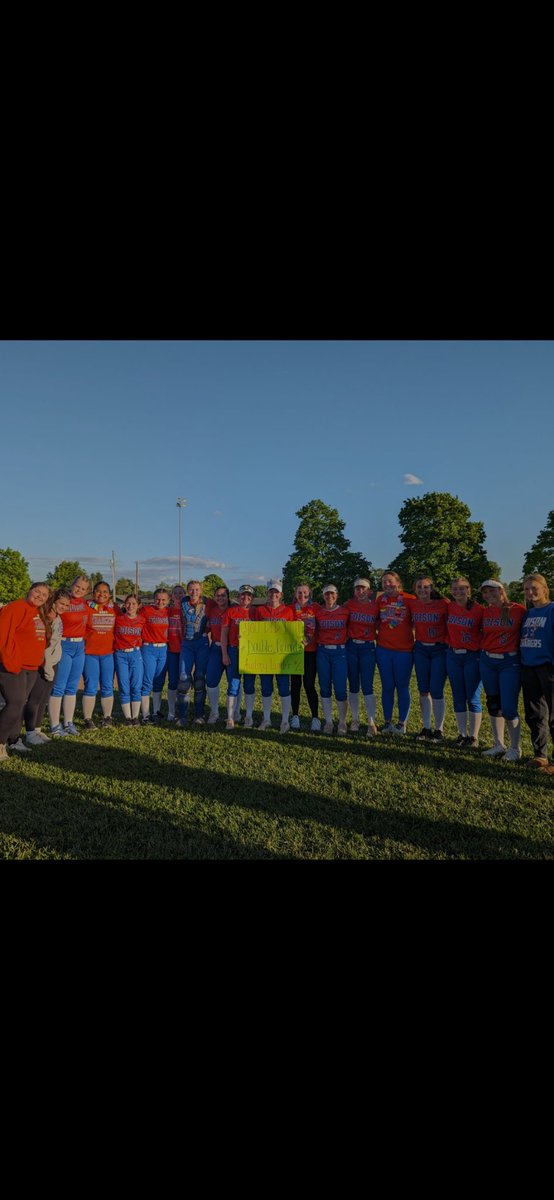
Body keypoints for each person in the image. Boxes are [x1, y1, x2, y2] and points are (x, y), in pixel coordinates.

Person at [0, 582, 50, 761]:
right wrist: (11, 663)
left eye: (44, 595)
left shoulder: (38, 612)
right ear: (29, 590)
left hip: (31, 667)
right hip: (14, 666)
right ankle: (0, 743)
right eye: (37, 591)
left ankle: (14, 739)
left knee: (21, 704)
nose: (40, 596)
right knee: (14, 703)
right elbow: (3, 635)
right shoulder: (15, 607)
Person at [480, 580, 526, 760]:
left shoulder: (518, 610)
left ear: (501, 590)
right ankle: (498, 744)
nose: (488, 595)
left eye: (491, 591)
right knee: (493, 704)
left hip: (509, 661)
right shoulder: (484, 611)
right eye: (485, 592)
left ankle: (515, 748)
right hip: (487, 660)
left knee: (508, 707)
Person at [24, 587, 71, 745]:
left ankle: (37, 730)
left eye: (66, 605)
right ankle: (30, 733)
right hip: (44, 663)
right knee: (35, 699)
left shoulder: (57, 616)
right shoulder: (48, 616)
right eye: (61, 603)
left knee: (43, 698)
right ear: (54, 601)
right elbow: (44, 644)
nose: (63, 607)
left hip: (54, 661)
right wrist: (46, 664)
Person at [408, 575, 449, 742]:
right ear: (415, 589)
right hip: (421, 648)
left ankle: (439, 729)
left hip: (439, 648)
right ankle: (426, 726)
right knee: (423, 689)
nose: (422, 590)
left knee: (437, 690)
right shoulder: (413, 604)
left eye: (426, 587)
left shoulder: (444, 604)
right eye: (419, 587)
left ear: (432, 588)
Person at [519, 573, 554, 772]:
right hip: (528, 667)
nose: (530, 592)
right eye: (526, 589)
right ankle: (540, 755)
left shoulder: (551, 610)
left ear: (545, 589)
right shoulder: (528, 614)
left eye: (534, 588)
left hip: (548, 668)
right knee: (534, 714)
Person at [48, 574, 90, 736]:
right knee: (59, 686)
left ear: (87, 592)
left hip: (79, 646)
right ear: (72, 584)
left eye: (83, 588)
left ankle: (68, 722)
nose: (79, 590)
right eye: (77, 586)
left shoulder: (86, 604)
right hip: (64, 644)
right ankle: (54, 725)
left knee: (72, 687)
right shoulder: (64, 601)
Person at [446, 577, 484, 748]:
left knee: (473, 696)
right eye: (455, 589)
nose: (458, 592)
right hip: (454, 655)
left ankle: (474, 737)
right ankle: (462, 734)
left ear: (469, 590)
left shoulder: (479, 610)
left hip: (472, 656)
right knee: (458, 696)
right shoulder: (449, 607)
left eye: (462, 588)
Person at [253, 579, 295, 732]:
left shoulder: (288, 611)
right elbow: (254, 632)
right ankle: (266, 719)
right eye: (271, 591)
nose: (273, 594)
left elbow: (293, 633)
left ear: (281, 594)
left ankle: (285, 720)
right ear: (267, 593)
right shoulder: (260, 611)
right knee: (265, 688)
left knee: (284, 688)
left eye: (276, 592)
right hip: (265, 655)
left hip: (282, 656)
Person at [375, 572, 415, 734]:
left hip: (404, 651)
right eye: (384, 582)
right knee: (387, 686)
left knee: (402, 686)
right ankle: (387, 722)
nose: (387, 585)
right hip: (383, 650)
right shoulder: (380, 600)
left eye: (390, 581)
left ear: (398, 583)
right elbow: (376, 620)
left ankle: (401, 723)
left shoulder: (410, 599)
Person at [344, 577, 379, 736]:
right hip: (351, 646)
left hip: (367, 647)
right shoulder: (349, 605)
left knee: (367, 685)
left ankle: (371, 721)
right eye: (358, 588)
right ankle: (356, 719)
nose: (361, 591)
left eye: (364, 588)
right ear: (354, 591)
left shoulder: (376, 607)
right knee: (353, 685)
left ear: (369, 591)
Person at [314, 584, 350, 734]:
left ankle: (342, 722)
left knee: (340, 689)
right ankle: (328, 721)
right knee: (325, 688)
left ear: (337, 595)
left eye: (332, 594)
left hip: (339, 652)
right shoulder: (318, 612)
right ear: (323, 596)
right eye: (327, 594)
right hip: (322, 651)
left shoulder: (345, 612)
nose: (330, 597)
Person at [220, 585, 256, 728]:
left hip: (251, 653)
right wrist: (225, 654)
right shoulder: (231, 611)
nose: (245, 598)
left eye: (248, 595)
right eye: (242, 595)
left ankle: (248, 716)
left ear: (252, 598)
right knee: (233, 685)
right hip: (234, 650)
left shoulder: (256, 613)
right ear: (238, 595)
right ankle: (230, 717)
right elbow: (224, 634)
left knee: (249, 685)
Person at [82, 580, 116, 729]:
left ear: (109, 594)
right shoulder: (86, 607)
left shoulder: (114, 609)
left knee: (107, 685)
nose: (101, 594)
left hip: (108, 654)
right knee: (90, 686)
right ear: (93, 593)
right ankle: (88, 719)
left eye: (105, 592)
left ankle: (107, 717)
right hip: (90, 653)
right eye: (98, 591)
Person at [178, 580, 210, 725]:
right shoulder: (182, 602)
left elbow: (225, 606)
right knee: (184, 679)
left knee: (199, 678)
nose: (194, 592)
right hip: (187, 643)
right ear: (187, 590)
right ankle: (182, 715)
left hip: (201, 643)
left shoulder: (208, 603)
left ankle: (199, 714)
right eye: (191, 589)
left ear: (201, 591)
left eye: (197, 589)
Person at [290, 583, 320, 732]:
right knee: (295, 685)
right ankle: (295, 715)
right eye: (299, 593)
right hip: (294, 652)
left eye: (305, 593)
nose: (302, 595)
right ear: (295, 594)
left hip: (310, 651)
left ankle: (315, 717)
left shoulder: (315, 608)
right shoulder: (290, 608)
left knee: (309, 684)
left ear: (310, 594)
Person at [139, 588, 170, 723]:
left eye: (163, 599)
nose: (160, 602)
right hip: (148, 648)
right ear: (153, 598)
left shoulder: (169, 612)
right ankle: (145, 714)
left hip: (163, 649)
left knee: (159, 682)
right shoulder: (146, 610)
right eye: (158, 598)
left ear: (168, 601)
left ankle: (156, 711)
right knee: (147, 682)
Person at [113, 594, 145, 725]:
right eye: (128, 603)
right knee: (124, 686)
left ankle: (135, 717)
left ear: (138, 606)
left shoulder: (142, 619)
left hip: (135, 654)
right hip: (120, 654)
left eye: (133, 603)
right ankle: (127, 717)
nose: (130, 606)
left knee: (136, 686)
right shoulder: (118, 617)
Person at [205, 585, 234, 724]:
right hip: (216, 648)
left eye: (223, 595)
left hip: (232, 649)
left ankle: (235, 713)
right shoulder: (212, 611)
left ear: (228, 597)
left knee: (234, 682)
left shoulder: (234, 610)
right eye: (218, 595)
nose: (220, 598)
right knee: (211, 680)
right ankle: (214, 711)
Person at [166, 585, 186, 721]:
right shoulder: (168, 610)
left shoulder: (188, 610)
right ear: (172, 595)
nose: (178, 595)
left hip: (185, 651)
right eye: (175, 593)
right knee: (172, 682)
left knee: (184, 681)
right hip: (171, 650)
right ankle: (171, 711)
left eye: (181, 593)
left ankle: (182, 710)